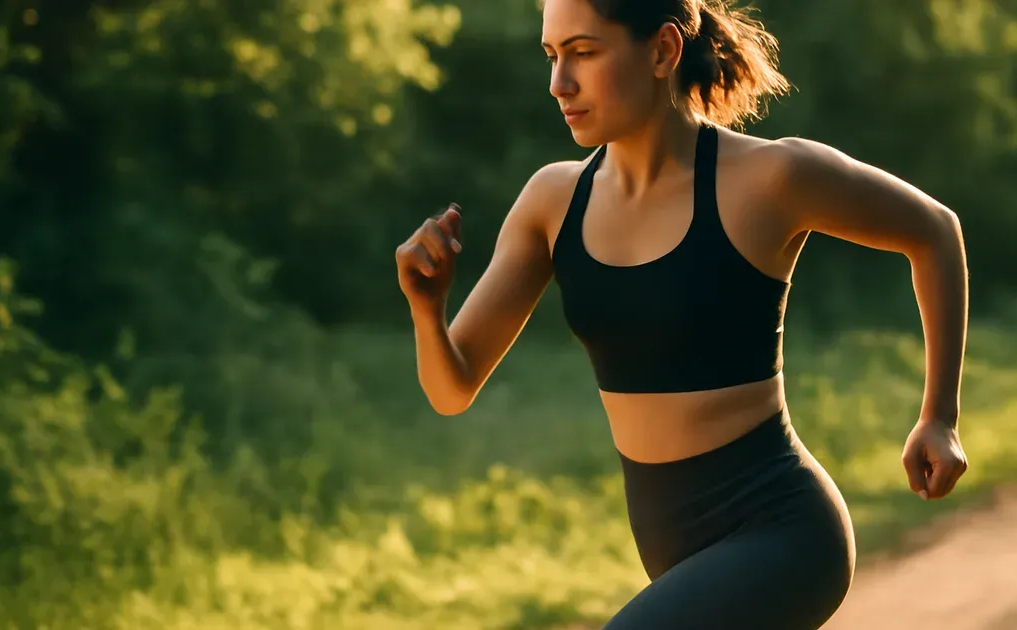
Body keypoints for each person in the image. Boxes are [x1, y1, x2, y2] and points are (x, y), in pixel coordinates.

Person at [395, 0, 970, 627]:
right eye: (552, 55)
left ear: (664, 51)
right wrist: (427, 309)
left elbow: (935, 232)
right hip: (671, 548)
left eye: (584, 52)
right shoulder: (553, 202)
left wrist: (939, 417)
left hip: (782, 530)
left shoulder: (769, 177)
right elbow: (451, 388)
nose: (559, 83)